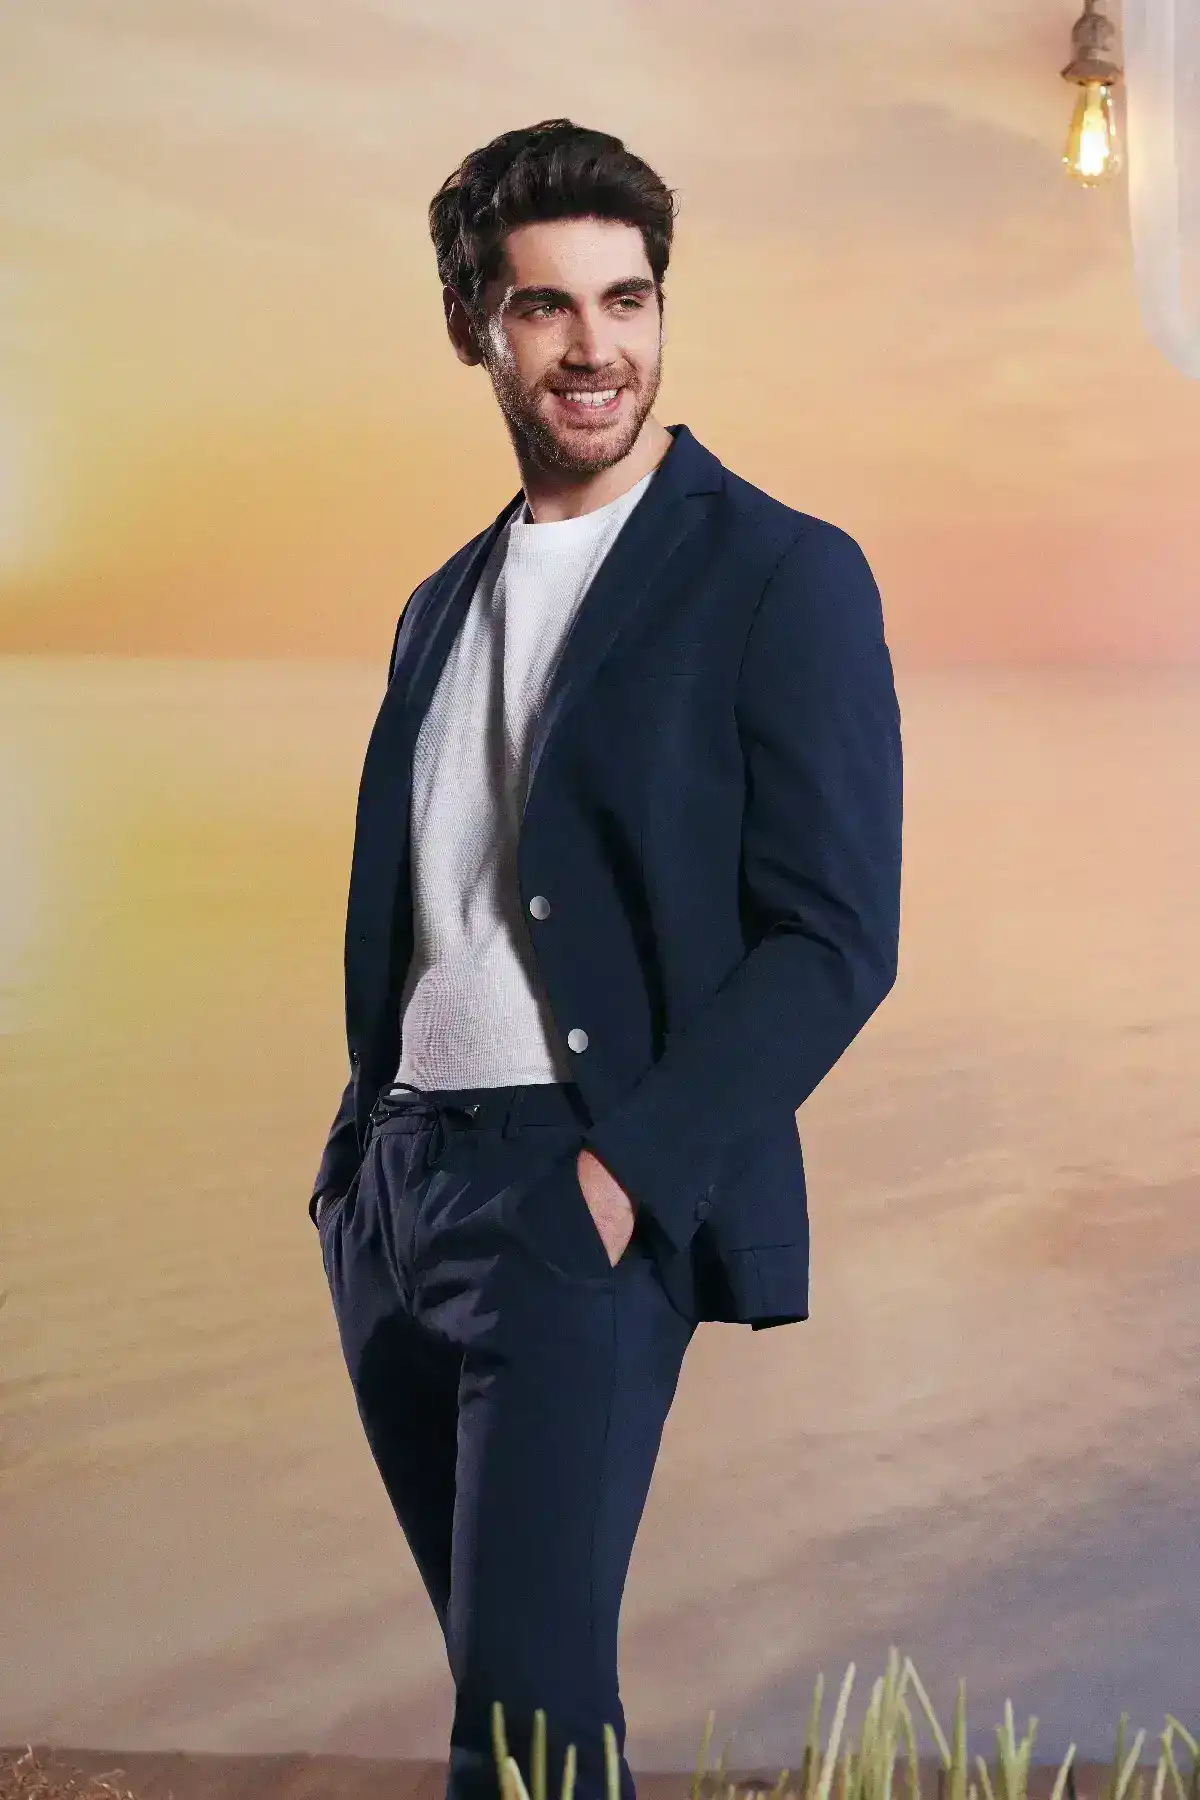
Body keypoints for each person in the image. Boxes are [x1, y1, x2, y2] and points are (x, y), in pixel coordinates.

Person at [308, 118, 903, 1800]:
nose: (596, 348)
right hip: (398, 1199)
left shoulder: (779, 573)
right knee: (527, 1706)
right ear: (472, 326)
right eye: (547, 306)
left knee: (520, 1721)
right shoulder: (440, 601)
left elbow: (836, 936)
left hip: (575, 1193)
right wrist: (355, 1173)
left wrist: (624, 1175)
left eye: (627, 300)